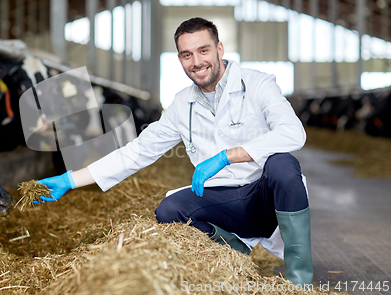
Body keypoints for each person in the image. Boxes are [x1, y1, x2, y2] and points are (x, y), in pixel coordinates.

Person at [35, 17, 313, 287]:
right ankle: (234, 251)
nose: (197, 62)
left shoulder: (259, 84)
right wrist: (69, 180)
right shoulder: (182, 105)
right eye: (186, 55)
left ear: (219, 49)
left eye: (203, 50)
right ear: (179, 59)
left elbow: (293, 133)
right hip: (222, 200)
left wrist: (227, 156)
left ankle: (299, 280)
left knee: (283, 164)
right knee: (169, 209)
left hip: (264, 196)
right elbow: (136, 152)